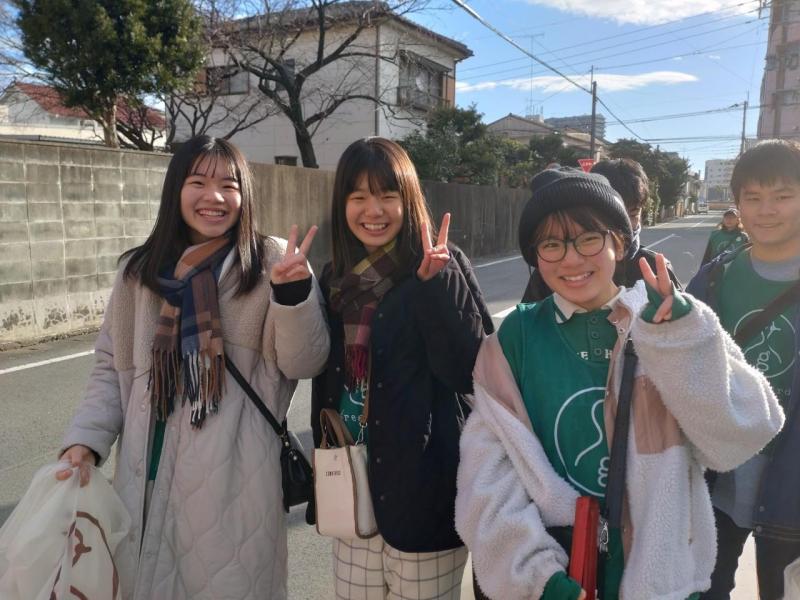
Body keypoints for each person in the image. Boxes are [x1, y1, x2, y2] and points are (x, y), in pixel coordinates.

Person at [455, 167, 784, 600]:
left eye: (589, 239)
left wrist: (684, 341)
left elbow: (743, 432)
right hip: (559, 564)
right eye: (551, 245)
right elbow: (487, 474)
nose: (571, 260)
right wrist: (536, 577)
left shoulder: (664, 320)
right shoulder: (514, 340)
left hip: (660, 576)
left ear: (620, 242)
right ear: (535, 257)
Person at [55, 136, 330, 600]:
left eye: (229, 184)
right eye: (198, 182)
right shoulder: (138, 272)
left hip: (234, 483)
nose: (214, 197)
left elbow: (305, 361)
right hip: (144, 472)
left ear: (245, 196)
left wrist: (292, 297)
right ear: (175, 190)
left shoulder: (270, 263)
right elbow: (110, 366)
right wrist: (85, 440)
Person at [311, 137, 493, 600]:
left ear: (408, 199)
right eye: (358, 196)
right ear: (343, 205)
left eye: (387, 195)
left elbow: (471, 371)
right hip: (350, 481)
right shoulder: (335, 278)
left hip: (423, 491)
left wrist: (437, 286)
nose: (374, 210)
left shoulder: (442, 266)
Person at [689, 140, 800, 600]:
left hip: (793, 483)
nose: (766, 209)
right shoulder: (715, 277)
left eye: (783, 195)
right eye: (752, 197)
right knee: (704, 590)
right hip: (720, 473)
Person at [521, 158, 680, 303]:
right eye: (552, 244)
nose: (572, 261)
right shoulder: (549, 274)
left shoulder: (656, 270)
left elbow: (685, 322)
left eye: (632, 214)